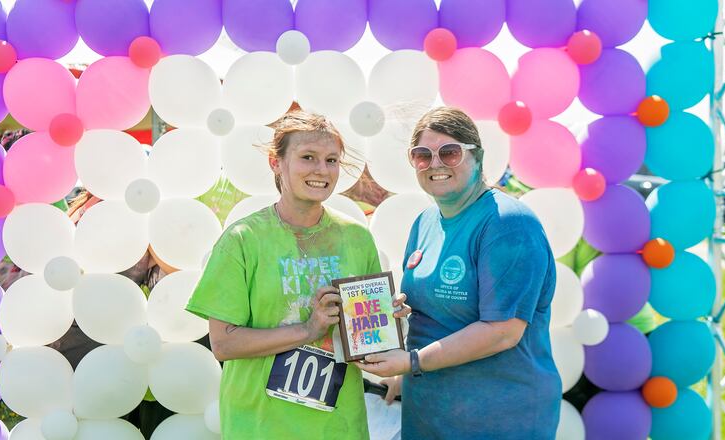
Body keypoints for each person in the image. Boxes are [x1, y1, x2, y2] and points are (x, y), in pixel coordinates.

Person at [186, 111, 408, 439]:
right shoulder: (242, 239)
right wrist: (308, 329)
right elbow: (223, 343)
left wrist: (387, 323)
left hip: (338, 426)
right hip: (260, 425)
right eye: (308, 157)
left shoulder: (356, 238)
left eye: (331, 160)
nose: (322, 170)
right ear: (276, 163)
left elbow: (366, 341)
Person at [356, 107, 561, 439]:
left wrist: (411, 362)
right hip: (429, 415)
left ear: (477, 157)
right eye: (422, 155)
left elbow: (502, 332)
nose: (435, 164)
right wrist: (398, 316)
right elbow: (434, 314)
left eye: (449, 153)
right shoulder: (424, 222)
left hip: (499, 420)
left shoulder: (508, 223)